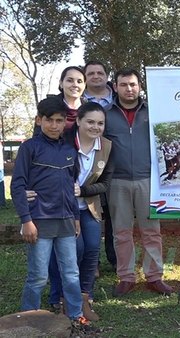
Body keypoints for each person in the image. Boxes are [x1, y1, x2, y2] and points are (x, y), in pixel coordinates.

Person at [10, 97, 94, 332]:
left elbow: (71, 185)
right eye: (49, 120)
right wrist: (26, 220)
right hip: (39, 221)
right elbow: (17, 185)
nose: (54, 125)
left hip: (67, 221)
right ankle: (28, 317)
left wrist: (76, 217)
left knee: (71, 273)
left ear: (65, 123)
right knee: (37, 275)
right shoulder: (29, 148)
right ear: (39, 120)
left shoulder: (69, 150)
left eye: (59, 121)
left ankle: (76, 315)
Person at [104, 68, 173, 297]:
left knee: (152, 231)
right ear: (115, 87)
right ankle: (126, 277)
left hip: (148, 180)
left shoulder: (153, 112)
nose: (129, 89)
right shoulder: (106, 114)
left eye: (133, 84)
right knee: (121, 232)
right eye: (124, 84)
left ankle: (154, 277)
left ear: (140, 87)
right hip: (117, 181)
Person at [46, 102, 113, 322]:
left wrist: (83, 190)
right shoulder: (63, 143)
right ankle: (64, 297)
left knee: (93, 249)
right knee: (76, 250)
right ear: (78, 121)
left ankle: (86, 297)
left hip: (89, 206)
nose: (95, 127)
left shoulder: (107, 146)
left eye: (100, 123)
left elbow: (105, 183)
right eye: (90, 122)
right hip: (64, 208)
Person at [83, 60, 117, 272]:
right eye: (91, 73)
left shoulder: (119, 99)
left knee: (114, 215)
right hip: (85, 162)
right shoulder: (76, 99)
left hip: (114, 161)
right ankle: (91, 262)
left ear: (107, 75)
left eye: (100, 72)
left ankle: (115, 259)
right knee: (90, 210)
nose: (96, 76)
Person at [33, 66, 86, 136]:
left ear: (84, 85)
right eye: (70, 80)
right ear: (61, 83)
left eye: (79, 81)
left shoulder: (89, 109)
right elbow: (37, 137)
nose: (75, 85)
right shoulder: (49, 105)